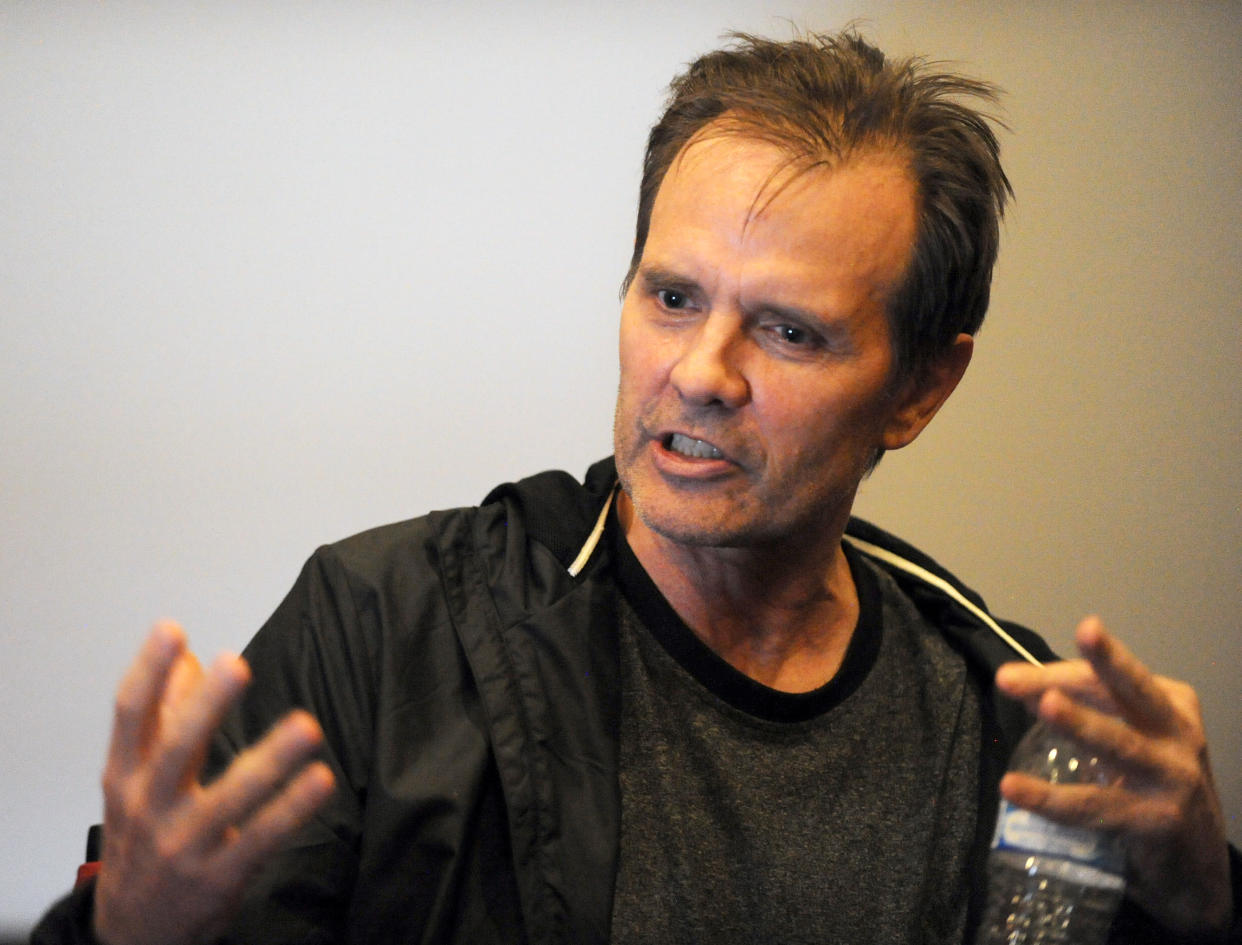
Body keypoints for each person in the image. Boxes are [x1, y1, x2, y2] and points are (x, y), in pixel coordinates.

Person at [32, 29, 1238, 945]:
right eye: (672, 298)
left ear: (921, 388)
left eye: (789, 333)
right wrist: (123, 935)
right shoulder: (384, 629)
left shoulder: (1013, 723)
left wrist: (1202, 907)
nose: (700, 375)